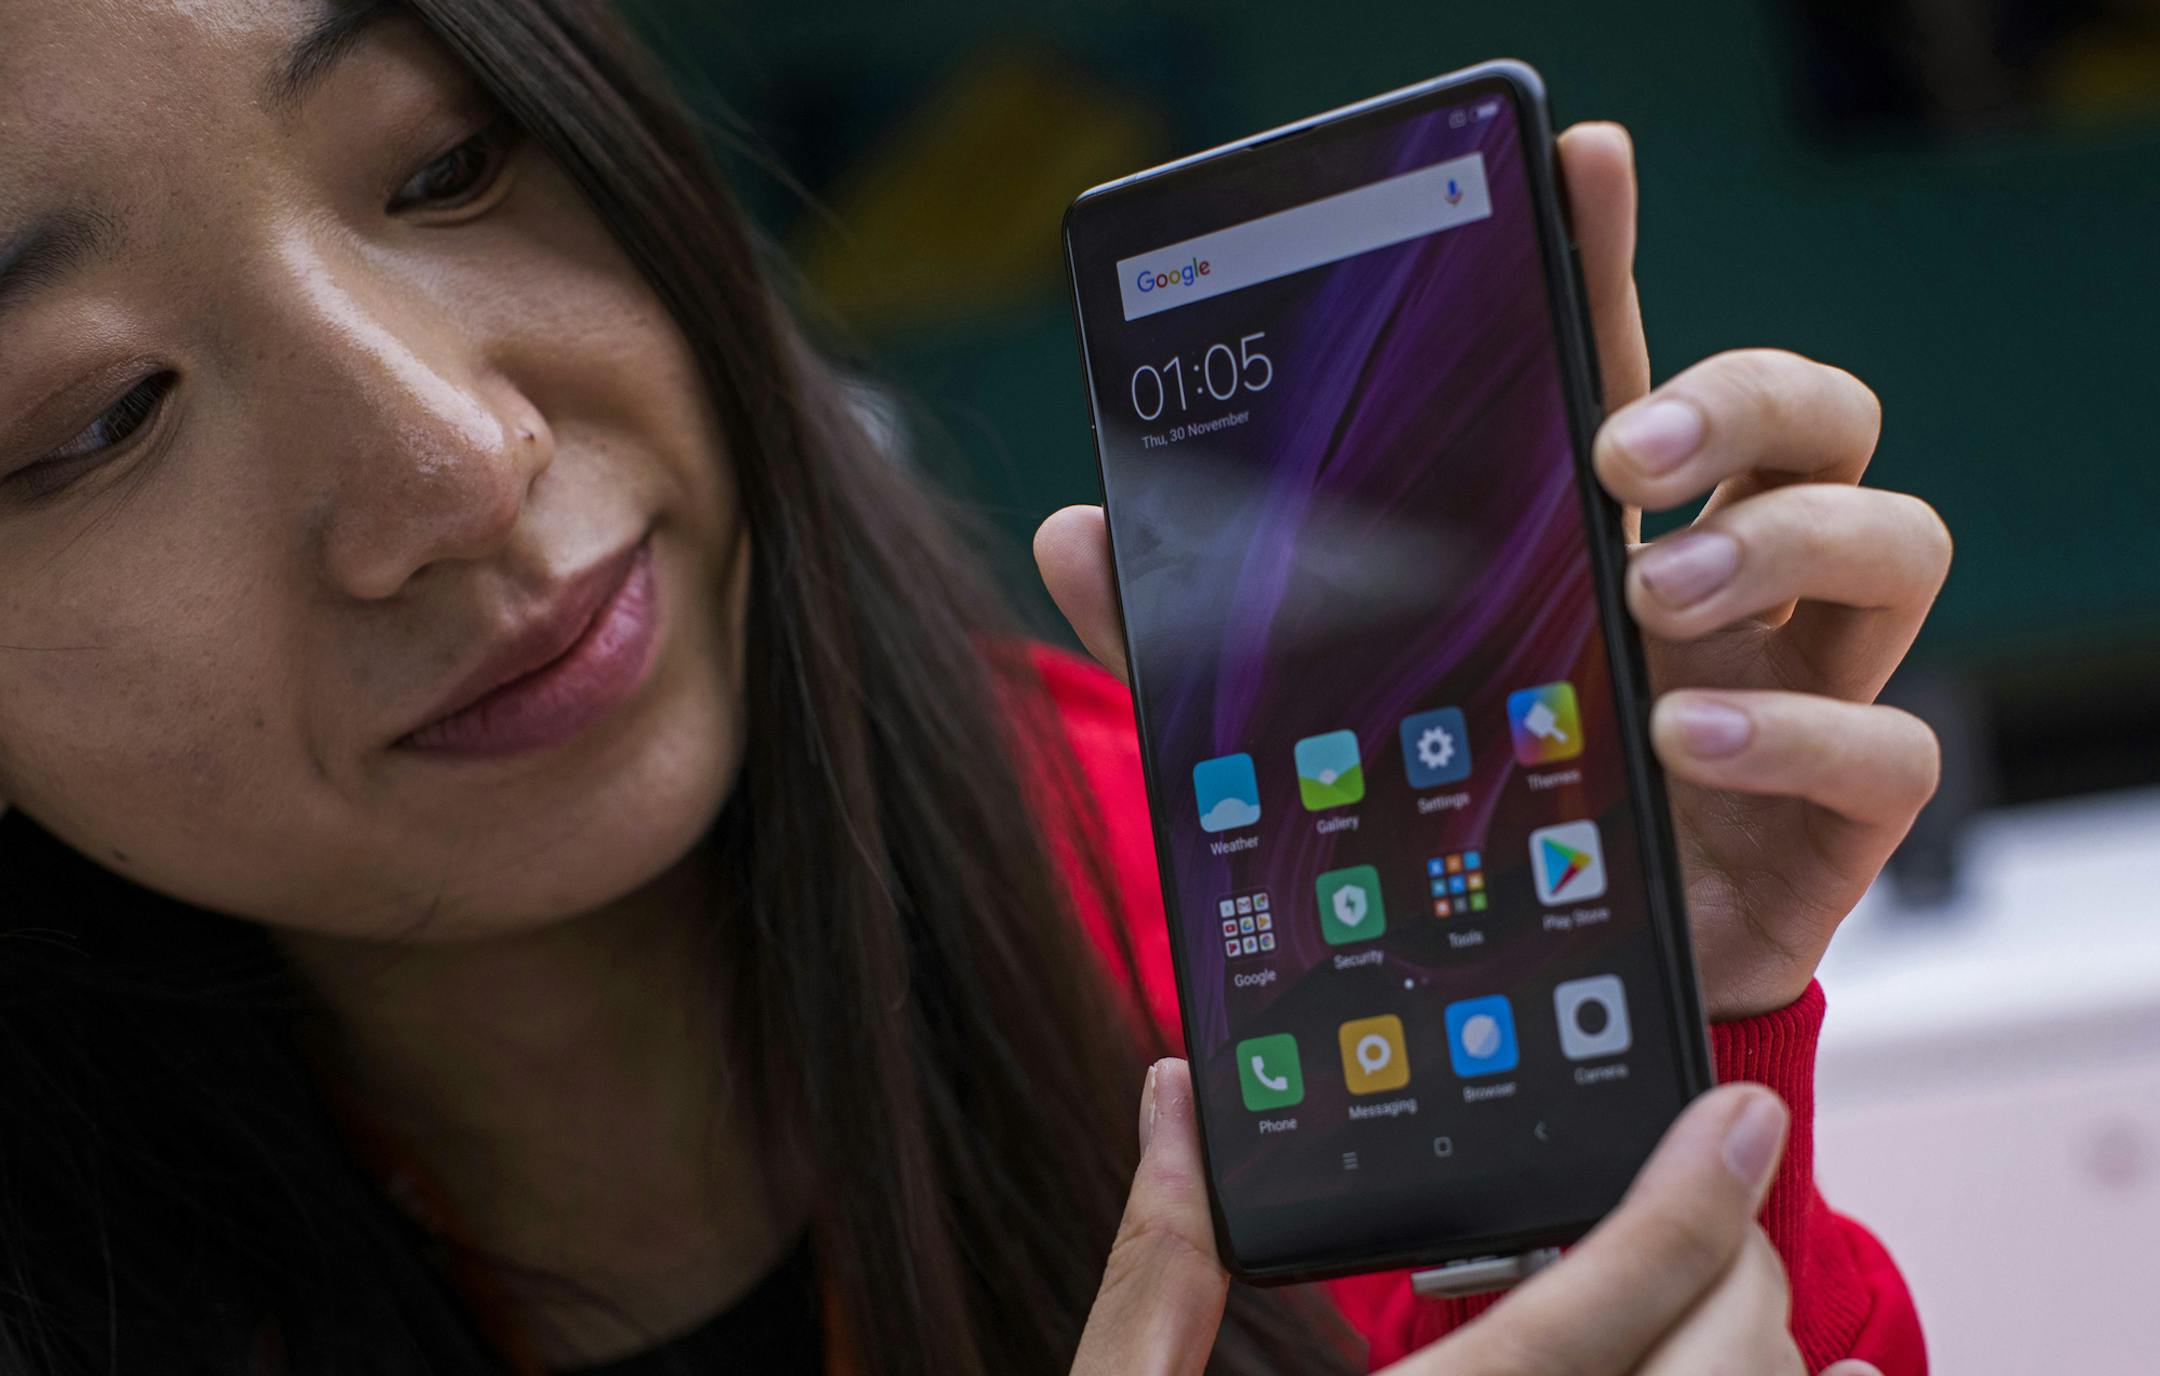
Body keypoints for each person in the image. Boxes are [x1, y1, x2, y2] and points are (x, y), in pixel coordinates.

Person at [0, 2, 1946, 1373]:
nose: (453, 465)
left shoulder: (1249, 918)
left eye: (447, 162)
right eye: (97, 416)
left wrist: (1687, 1082)